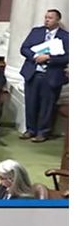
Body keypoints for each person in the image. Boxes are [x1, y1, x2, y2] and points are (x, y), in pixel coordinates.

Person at [19, 9, 69, 143]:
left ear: (58, 20)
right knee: (31, 102)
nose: (47, 20)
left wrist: (48, 58)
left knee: (47, 106)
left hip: (51, 75)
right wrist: (35, 57)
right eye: (46, 17)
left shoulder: (66, 37)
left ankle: (43, 132)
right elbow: (24, 48)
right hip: (33, 73)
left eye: (50, 18)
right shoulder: (36, 32)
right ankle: (30, 129)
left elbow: (68, 56)